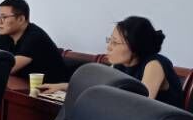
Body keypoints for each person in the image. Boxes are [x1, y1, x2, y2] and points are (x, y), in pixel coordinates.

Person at [40, 16, 185, 107]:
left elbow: (141, 106)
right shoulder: (121, 64)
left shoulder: (154, 65)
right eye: (109, 40)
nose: (109, 47)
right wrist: (63, 86)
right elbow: (101, 87)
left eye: (115, 42)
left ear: (135, 46)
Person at [0, 0, 66, 82]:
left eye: (4, 17)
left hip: (52, 87)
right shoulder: (5, 35)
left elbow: (6, 70)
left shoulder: (35, 37)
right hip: (23, 84)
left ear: (21, 19)